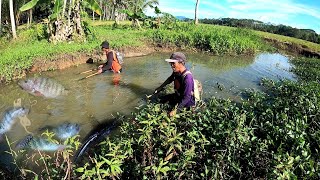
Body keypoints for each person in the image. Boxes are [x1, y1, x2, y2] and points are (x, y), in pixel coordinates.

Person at [155, 52, 195, 117]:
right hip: (178, 97)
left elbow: (187, 97)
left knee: (170, 115)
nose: (171, 65)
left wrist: (176, 110)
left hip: (186, 103)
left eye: (173, 63)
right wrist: (160, 87)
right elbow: (170, 79)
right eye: (170, 63)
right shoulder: (176, 72)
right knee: (160, 100)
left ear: (181, 63)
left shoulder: (188, 78)